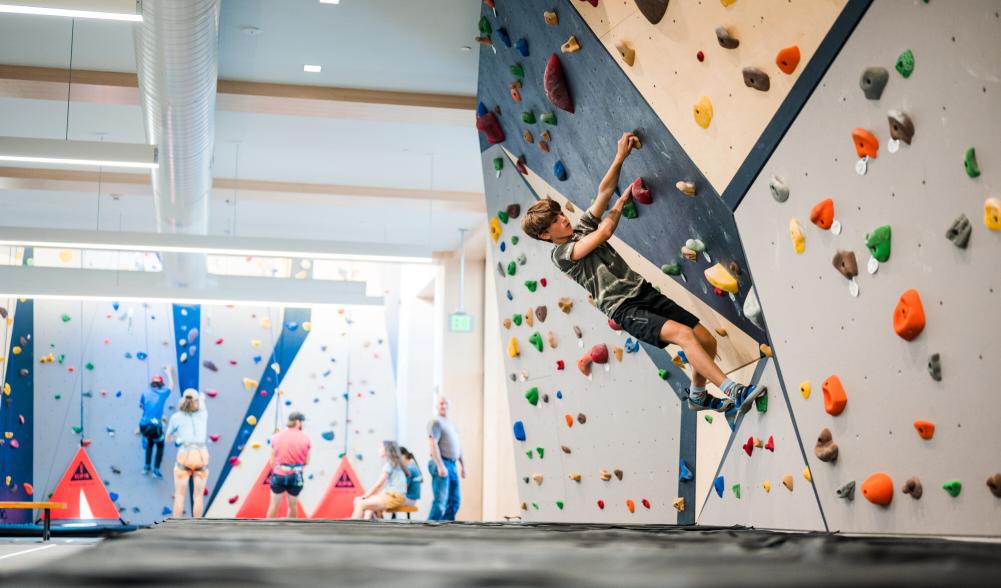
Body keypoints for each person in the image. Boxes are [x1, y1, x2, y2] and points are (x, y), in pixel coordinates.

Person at [521, 131, 765, 418]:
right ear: (545, 235)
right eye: (554, 221)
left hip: (642, 291)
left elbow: (602, 192)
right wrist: (618, 206)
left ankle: (698, 394)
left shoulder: (579, 228)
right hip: (625, 308)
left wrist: (620, 158)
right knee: (684, 335)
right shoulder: (560, 254)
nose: (563, 219)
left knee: (707, 341)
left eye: (560, 214)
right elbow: (604, 233)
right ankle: (733, 390)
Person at [166, 388, 209, 518]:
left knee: (179, 495)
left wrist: (178, 437)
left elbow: (168, 438)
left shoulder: (176, 417)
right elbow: (201, 402)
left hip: (185, 455)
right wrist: (201, 397)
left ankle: (176, 529)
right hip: (201, 456)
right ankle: (197, 528)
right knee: (198, 496)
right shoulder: (203, 414)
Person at [426, 395, 464, 521]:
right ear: (436, 406)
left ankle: (446, 529)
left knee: (455, 501)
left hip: (452, 464)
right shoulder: (435, 422)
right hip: (441, 463)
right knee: (441, 501)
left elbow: (458, 447)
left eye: (446, 403)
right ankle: (428, 530)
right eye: (441, 403)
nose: (443, 406)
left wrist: (463, 466)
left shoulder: (451, 424)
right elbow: (432, 443)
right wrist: (440, 465)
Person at [267, 412, 311, 518]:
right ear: (297, 422)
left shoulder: (276, 436)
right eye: (302, 422)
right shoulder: (305, 438)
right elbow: (306, 461)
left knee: (274, 505)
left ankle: (267, 530)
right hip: (296, 476)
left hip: (279, 474)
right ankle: (291, 532)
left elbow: (271, 461)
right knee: (292, 505)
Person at [351, 441, 408, 520]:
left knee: (360, 504)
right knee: (367, 507)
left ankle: (351, 529)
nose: (379, 449)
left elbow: (379, 485)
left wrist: (363, 497)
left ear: (387, 450)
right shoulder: (394, 463)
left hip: (394, 497)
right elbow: (381, 487)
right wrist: (367, 497)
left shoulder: (390, 464)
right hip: (394, 496)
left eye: (381, 447)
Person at [138, 367, 174, 479]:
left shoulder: (144, 393)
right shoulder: (163, 393)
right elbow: (171, 386)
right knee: (160, 445)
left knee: (149, 442)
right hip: (155, 426)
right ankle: (156, 470)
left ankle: (146, 467)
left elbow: (142, 407)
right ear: (161, 385)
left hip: (143, 425)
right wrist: (169, 372)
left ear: (152, 384)